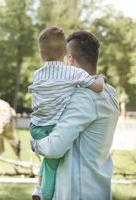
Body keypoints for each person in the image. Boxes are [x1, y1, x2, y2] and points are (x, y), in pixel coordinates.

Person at [30, 30, 119, 200]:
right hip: (98, 188)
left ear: (69, 58)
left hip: (77, 192)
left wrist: (35, 144)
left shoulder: (83, 97)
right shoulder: (111, 93)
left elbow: (54, 147)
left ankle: (40, 191)